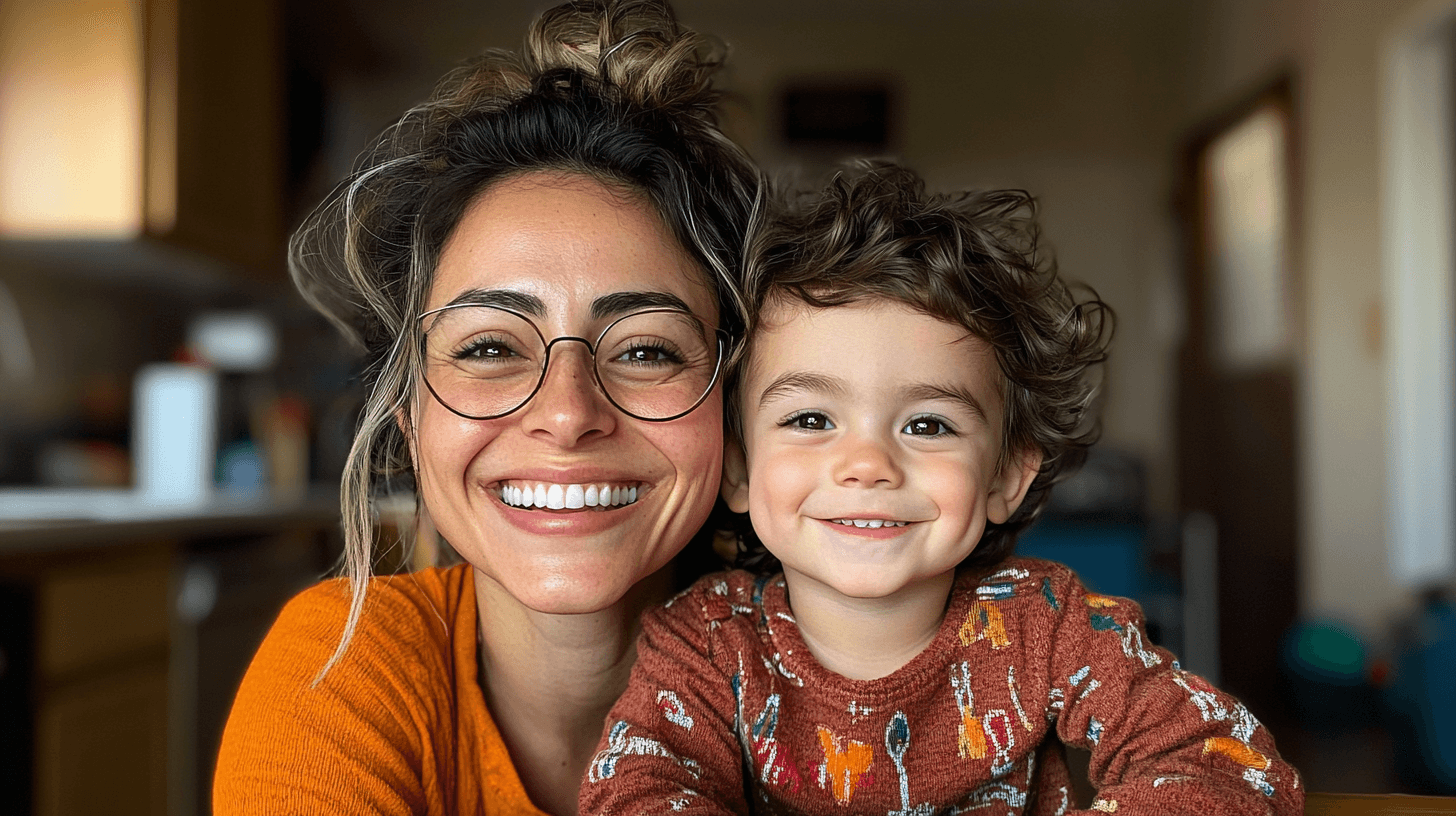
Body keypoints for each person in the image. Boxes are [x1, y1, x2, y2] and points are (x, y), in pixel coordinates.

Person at [579, 162, 1304, 815]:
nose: (867, 464)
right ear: (737, 467)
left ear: (1005, 476)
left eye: (927, 425)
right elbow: (634, 793)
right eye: (810, 418)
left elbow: (1231, 762)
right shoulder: (704, 645)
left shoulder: (1049, 627)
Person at [212, 2, 760, 814]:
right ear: (409, 414)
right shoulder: (341, 669)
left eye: (645, 350)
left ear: (732, 410)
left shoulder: (867, 691)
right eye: (491, 348)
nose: (568, 414)